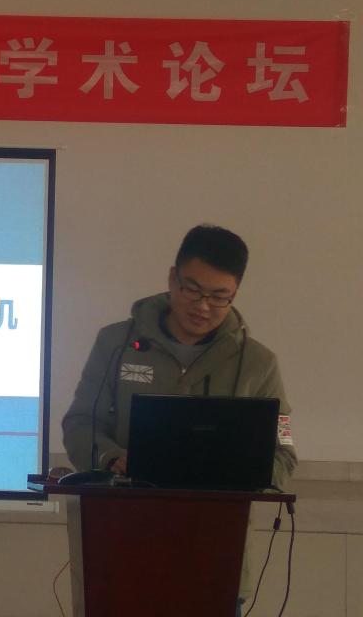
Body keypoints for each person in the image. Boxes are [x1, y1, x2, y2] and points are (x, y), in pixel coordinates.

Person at [61, 224, 296, 614]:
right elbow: (79, 424)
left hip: (217, 560)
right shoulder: (116, 344)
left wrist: (243, 473)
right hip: (122, 549)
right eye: (193, 290)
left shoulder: (258, 364)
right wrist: (110, 457)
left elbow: (285, 453)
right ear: (173, 278)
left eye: (219, 296)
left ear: (235, 293)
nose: (203, 306)